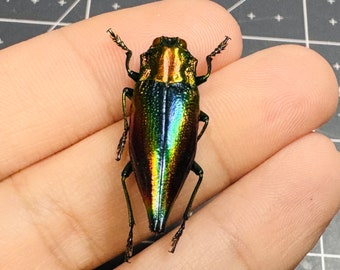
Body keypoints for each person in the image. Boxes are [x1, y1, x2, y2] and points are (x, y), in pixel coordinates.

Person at [0, 1, 339, 269]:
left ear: (147, 62)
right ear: (190, 66)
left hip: (154, 150)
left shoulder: (140, 84)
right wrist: (186, 139)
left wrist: (127, 131)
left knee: (132, 174)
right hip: (171, 151)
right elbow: (201, 122)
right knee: (196, 172)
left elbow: (130, 98)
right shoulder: (190, 89)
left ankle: (141, 225)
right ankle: (176, 221)